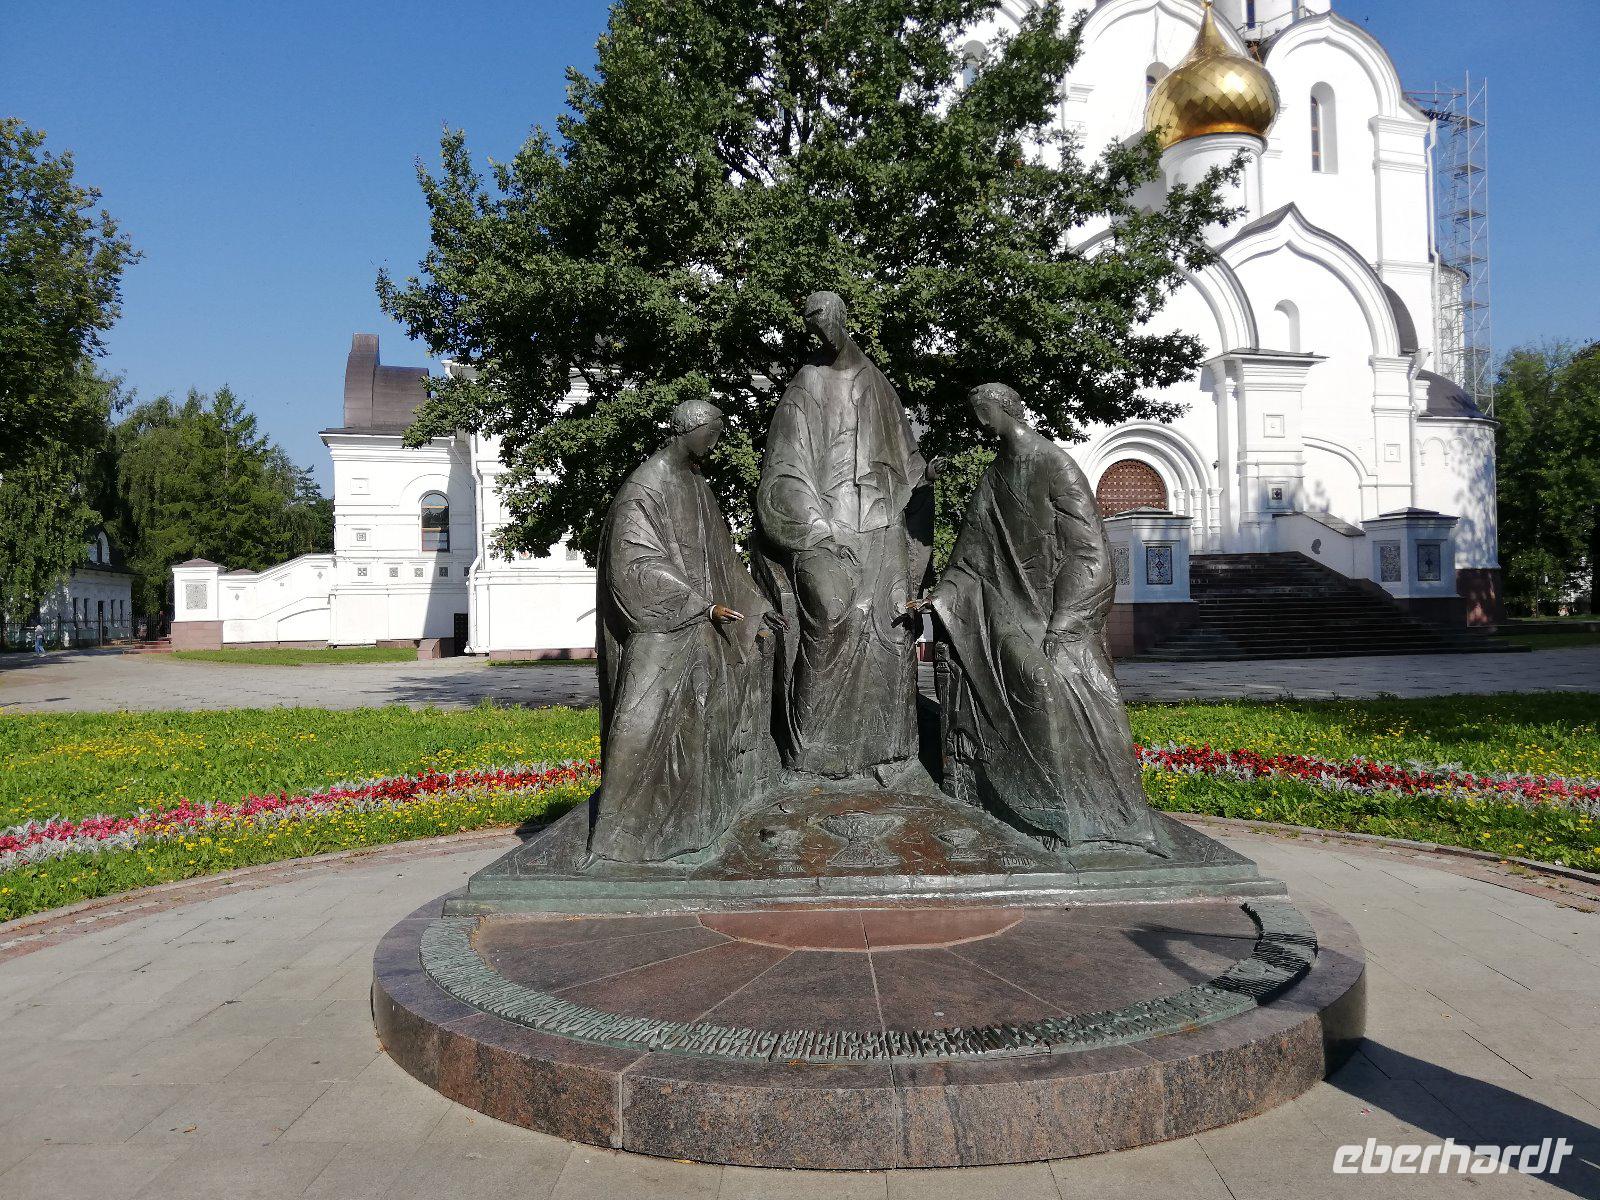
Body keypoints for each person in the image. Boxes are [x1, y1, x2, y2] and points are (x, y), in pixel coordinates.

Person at [914, 383, 1162, 854]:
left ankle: (1074, 811)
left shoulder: (1054, 465)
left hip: (1056, 610)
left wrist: (1066, 622)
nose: (978, 419)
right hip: (1003, 605)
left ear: (1004, 409)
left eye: (982, 410)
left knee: (1048, 682)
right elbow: (970, 552)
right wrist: (941, 596)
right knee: (1033, 679)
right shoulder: (994, 476)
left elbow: (1090, 550)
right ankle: (1039, 806)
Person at [588, 399, 784, 864]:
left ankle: (691, 829)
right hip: (660, 631)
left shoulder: (698, 485)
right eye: (711, 435)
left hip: (701, 629)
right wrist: (701, 604)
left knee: (703, 726)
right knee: (641, 727)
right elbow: (635, 565)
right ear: (688, 429)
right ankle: (619, 840)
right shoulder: (644, 488)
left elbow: (724, 558)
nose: (714, 444)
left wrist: (755, 606)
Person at [755, 291, 932, 780]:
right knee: (833, 610)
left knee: (892, 619)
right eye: (812, 326)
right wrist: (819, 531)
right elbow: (784, 471)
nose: (821, 334)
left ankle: (889, 750)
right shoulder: (806, 384)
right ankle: (812, 751)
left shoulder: (877, 383)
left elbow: (905, 461)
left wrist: (925, 476)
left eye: (826, 321)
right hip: (822, 526)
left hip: (878, 524)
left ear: (843, 319)